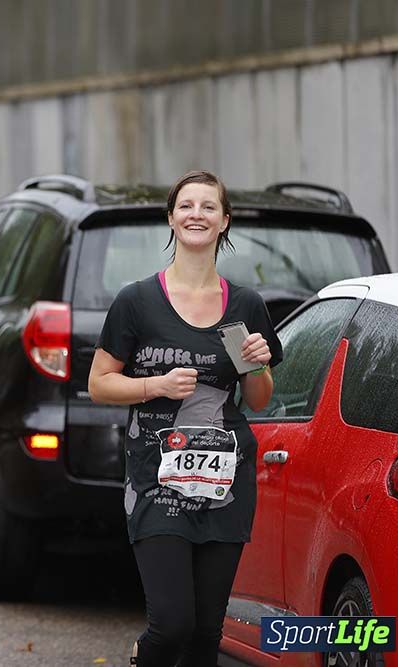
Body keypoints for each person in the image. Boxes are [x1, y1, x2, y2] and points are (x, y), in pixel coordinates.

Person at [88, 170, 283, 666]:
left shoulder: (245, 305)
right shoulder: (137, 301)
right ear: (172, 219)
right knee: (172, 623)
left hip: (224, 482)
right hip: (156, 480)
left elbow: (259, 399)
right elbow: (100, 383)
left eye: (208, 207)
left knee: (205, 633)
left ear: (224, 221)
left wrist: (256, 364)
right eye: (186, 206)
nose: (197, 214)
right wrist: (155, 385)